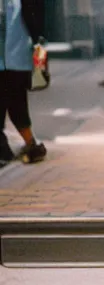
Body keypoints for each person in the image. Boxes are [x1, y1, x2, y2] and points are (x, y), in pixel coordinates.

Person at [0, 0, 47, 167]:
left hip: (17, 59)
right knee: (16, 103)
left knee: (17, 102)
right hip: (15, 59)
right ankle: (31, 145)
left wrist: (38, 49)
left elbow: (37, 25)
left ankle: (31, 145)